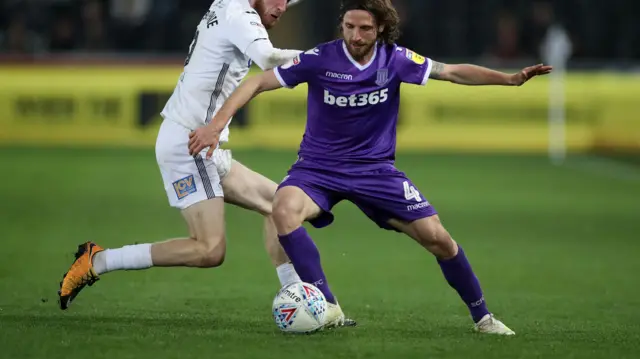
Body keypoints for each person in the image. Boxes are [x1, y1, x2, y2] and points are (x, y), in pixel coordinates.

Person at [188, 0, 552, 335]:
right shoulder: (320, 58)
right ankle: (328, 305)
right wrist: (216, 126)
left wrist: (510, 79)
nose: (354, 35)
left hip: (375, 171)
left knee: (439, 240)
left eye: (363, 28)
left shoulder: (396, 60)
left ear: (380, 29)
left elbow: (453, 72)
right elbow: (257, 82)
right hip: (317, 169)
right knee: (282, 210)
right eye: (348, 26)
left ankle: (483, 317)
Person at [58, 0, 355, 329]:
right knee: (209, 250)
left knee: (280, 205)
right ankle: (98, 260)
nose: (283, 8)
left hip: (203, 144)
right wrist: (330, 60)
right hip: (190, 144)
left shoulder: (230, 4)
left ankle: (295, 297)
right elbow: (268, 59)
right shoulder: (241, 16)